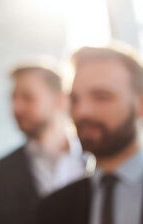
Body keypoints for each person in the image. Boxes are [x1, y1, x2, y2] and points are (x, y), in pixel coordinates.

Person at [0, 64, 92, 224]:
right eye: (13, 98)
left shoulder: (95, 164)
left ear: (60, 101)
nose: (16, 108)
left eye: (27, 97)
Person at [37, 45, 143, 224]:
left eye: (101, 97)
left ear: (140, 104)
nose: (82, 111)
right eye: (75, 99)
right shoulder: (54, 208)